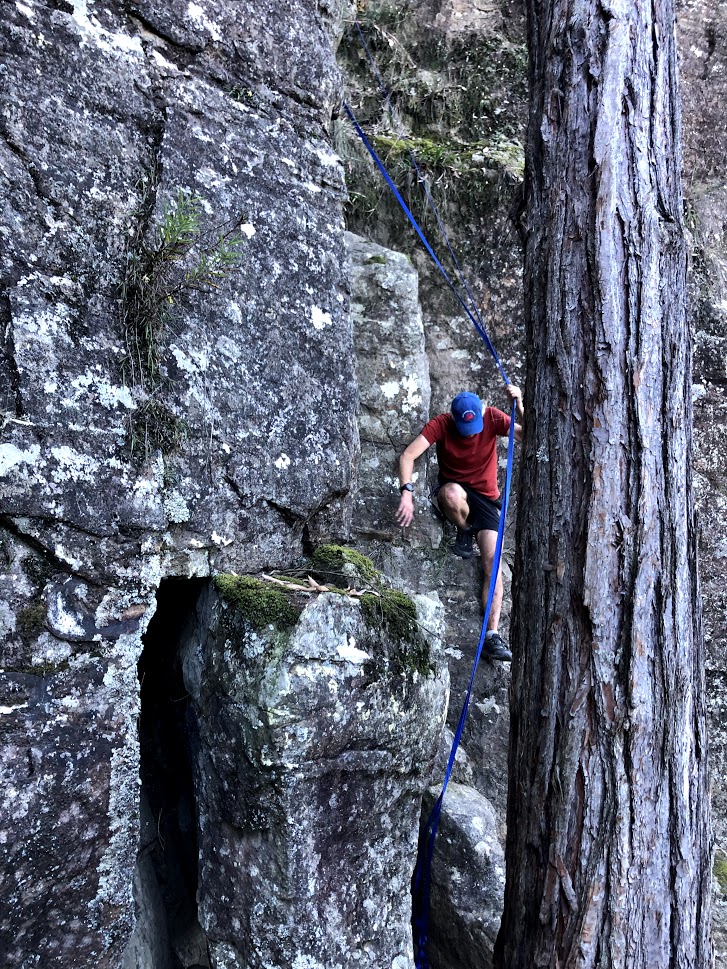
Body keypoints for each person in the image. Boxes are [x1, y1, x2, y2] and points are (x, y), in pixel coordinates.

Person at [396, 385, 524, 661]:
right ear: (453, 419)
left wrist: (520, 404)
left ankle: (492, 636)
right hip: (455, 490)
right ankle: (464, 530)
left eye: (475, 425)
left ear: (480, 412)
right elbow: (408, 455)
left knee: (492, 562)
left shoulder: (492, 418)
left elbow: (525, 435)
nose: (473, 432)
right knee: (451, 494)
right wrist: (406, 491)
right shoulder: (442, 424)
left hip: (487, 500)